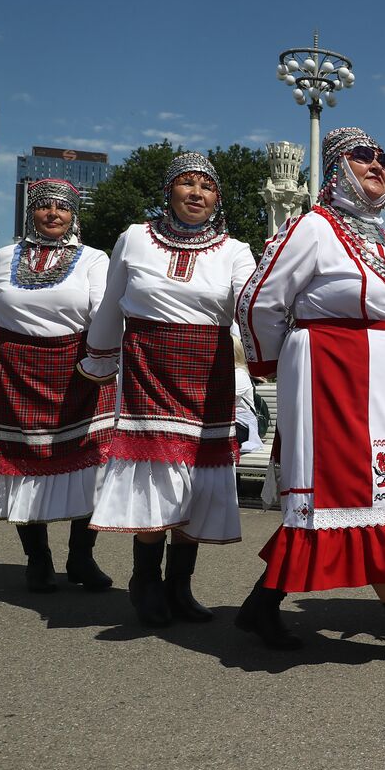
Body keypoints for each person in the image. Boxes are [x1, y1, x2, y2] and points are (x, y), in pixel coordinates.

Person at [236, 126, 385, 668]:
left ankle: (262, 604)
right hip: (332, 379)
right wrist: (283, 363)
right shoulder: (313, 228)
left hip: (382, 393)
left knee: (361, 500)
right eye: (363, 157)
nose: (378, 165)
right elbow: (258, 300)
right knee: (357, 499)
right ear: (338, 168)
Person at [79, 153, 255, 626]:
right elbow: (113, 301)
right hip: (147, 369)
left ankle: (180, 586)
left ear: (217, 198)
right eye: (187, 184)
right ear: (169, 191)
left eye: (207, 187)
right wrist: (98, 357)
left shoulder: (235, 250)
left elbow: (248, 301)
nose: (197, 193)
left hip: (208, 372)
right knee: (157, 476)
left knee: (197, 480)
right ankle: (146, 581)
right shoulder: (135, 237)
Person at [0, 179, 115, 591]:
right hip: (16, 375)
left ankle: (81, 557)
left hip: (80, 373)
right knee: (21, 466)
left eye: (61, 208)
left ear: (73, 215)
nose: (53, 214)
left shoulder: (92, 259)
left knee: (92, 463)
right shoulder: (7, 257)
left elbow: (103, 309)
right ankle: (37, 559)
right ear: (32, 212)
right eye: (44, 206)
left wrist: (108, 358)